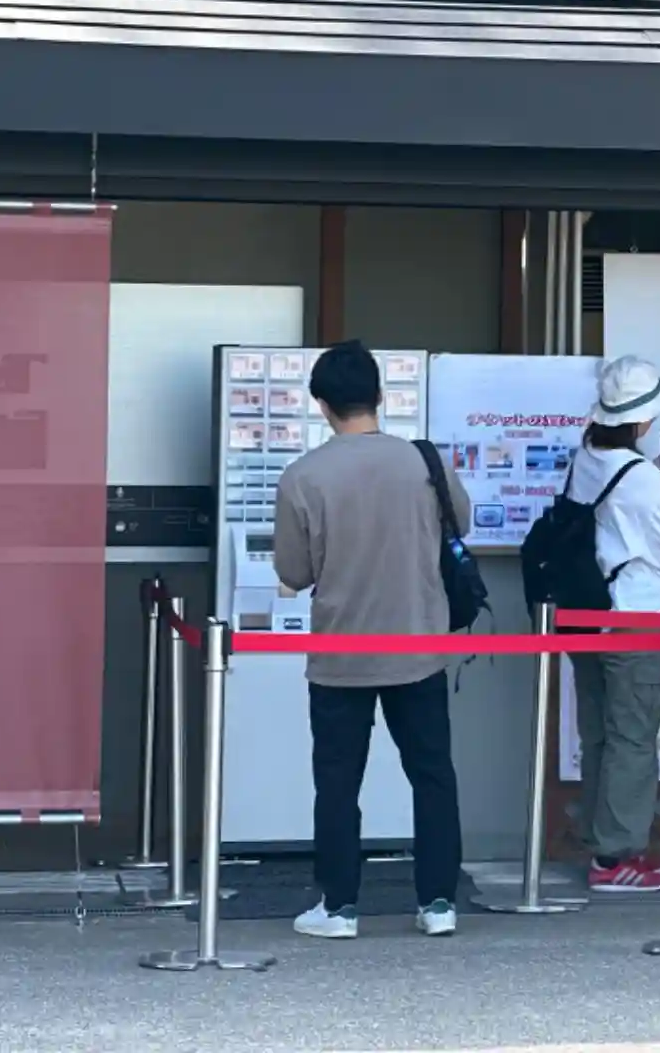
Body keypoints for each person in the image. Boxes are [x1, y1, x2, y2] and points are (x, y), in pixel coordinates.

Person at [274, 340, 470, 940]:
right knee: (432, 773)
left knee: (338, 781)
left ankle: (339, 906)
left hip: (341, 654)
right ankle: (438, 901)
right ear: (380, 395)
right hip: (419, 646)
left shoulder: (303, 476)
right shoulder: (422, 463)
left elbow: (293, 571)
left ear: (320, 404)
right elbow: (461, 523)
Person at [567, 356, 660, 894]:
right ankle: (615, 855)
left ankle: (601, 844)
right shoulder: (641, 477)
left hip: (588, 614)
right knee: (634, 737)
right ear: (642, 421)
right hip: (634, 616)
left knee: (598, 734)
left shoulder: (585, 459)